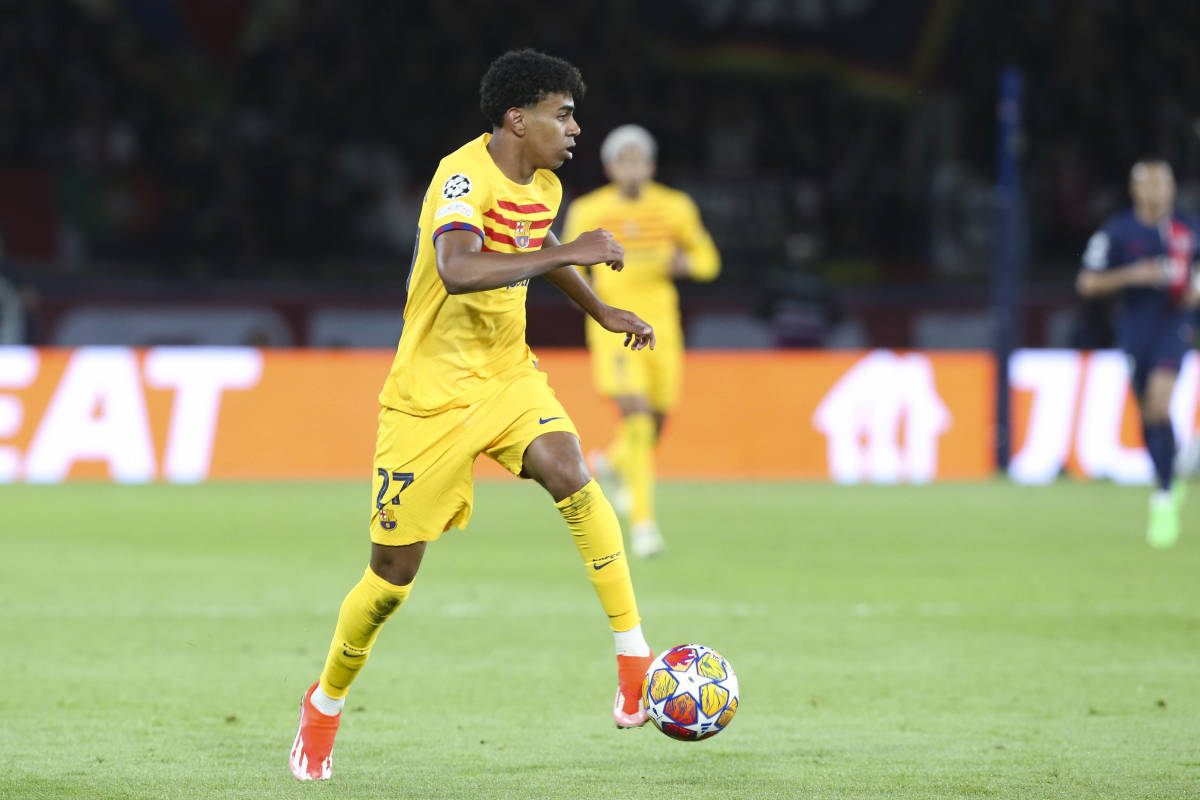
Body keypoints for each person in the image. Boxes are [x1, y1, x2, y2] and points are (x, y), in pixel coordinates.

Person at [289, 50, 659, 781]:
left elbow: (540, 247)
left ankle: (633, 660)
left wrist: (599, 302)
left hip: (506, 377)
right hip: (427, 397)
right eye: (563, 114)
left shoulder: (545, 185)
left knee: (571, 472)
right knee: (391, 578)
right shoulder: (461, 176)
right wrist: (581, 249)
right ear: (518, 119)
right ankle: (324, 704)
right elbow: (458, 269)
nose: (576, 128)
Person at [563, 125, 719, 557]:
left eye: (639, 160)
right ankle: (644, 526)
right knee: (636, 416)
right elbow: (570, 270)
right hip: (614, 329)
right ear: (611, 166)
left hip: (663, 329)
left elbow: (709, 261)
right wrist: (589, 303)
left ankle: (612, 463)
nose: (632, 168)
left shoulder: (674, 207)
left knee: (657, 422)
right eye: (623, 160)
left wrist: (684, 264)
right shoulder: (588, 210)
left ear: (650, 165)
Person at [1076, 157, 1200, 548]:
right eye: (1149, 184)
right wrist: (1134, 274)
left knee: (1161, 405)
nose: (1157, 191)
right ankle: (1168, 471)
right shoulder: (1118, 231)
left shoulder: (1188, 228)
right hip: (1134, 330)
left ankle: (1163, 495)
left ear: (1171, 188)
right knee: (1147, 412)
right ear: (1136, 190)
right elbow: (1087, 282)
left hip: (1174, 324)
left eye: (1163, 184)